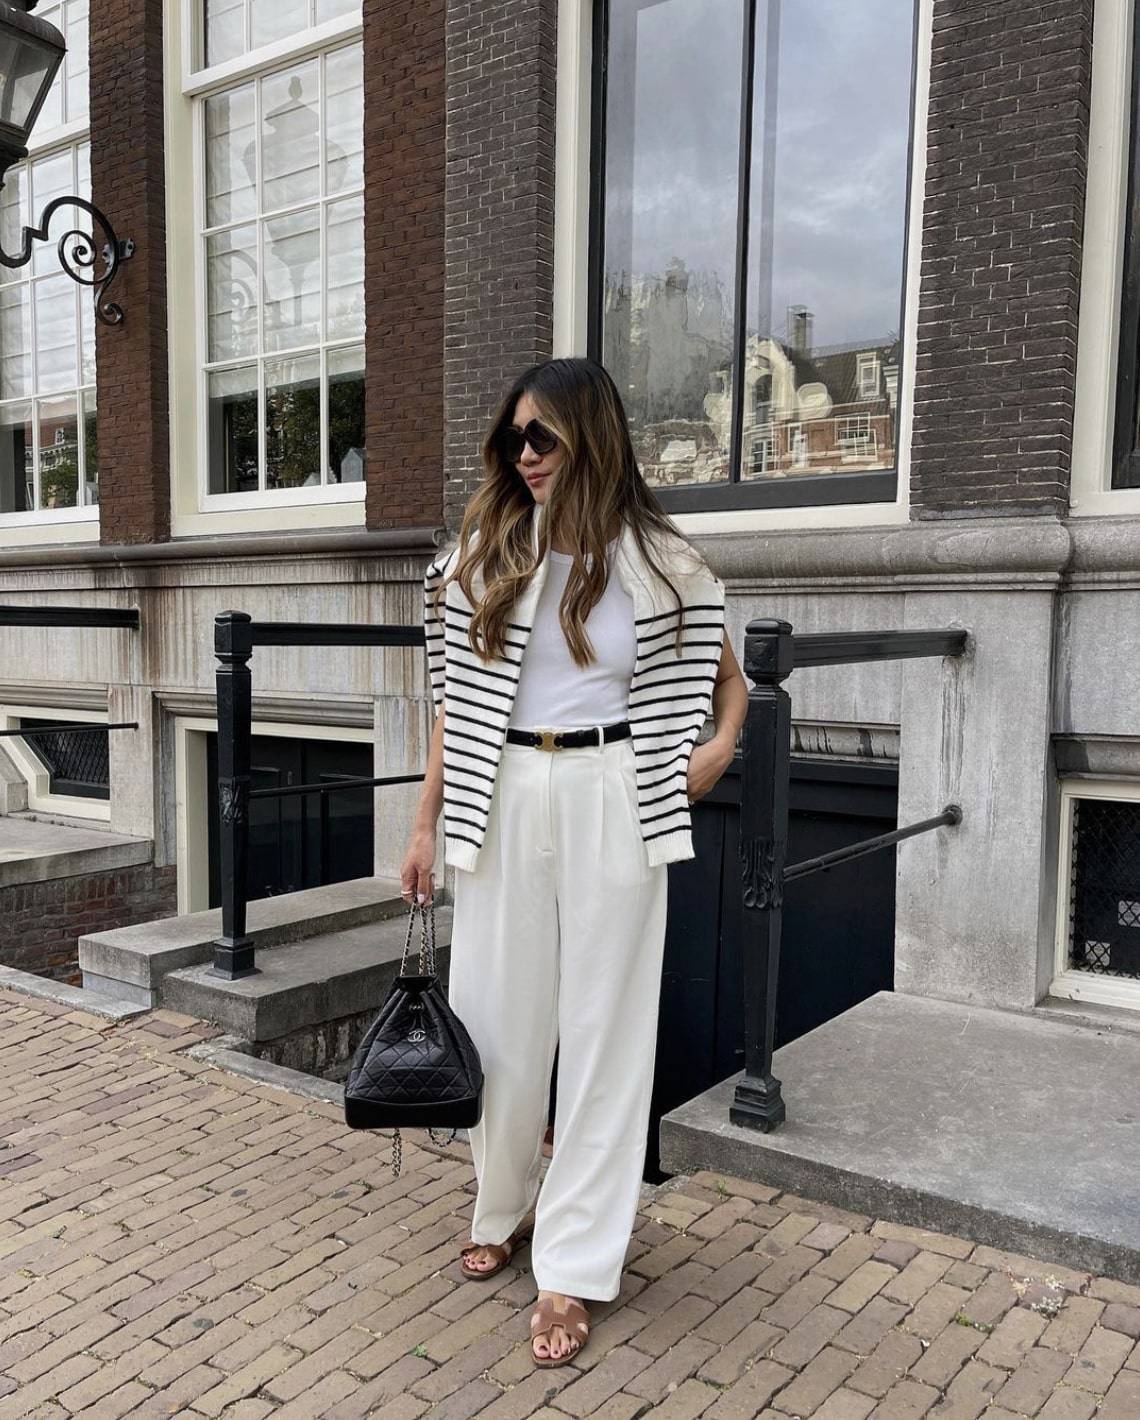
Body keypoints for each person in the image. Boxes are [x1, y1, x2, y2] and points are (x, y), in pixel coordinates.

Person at [400, 356, 748, 1368]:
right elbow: (453, 710)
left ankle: (575, 1264)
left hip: (615, 793)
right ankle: (501, 1204)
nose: (524, 456)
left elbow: (729, 682)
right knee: (498, 1016)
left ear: (591, 436)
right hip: (503, 792)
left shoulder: (661, 559)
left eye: (542, 437)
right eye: (514, 438)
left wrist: (718, 749)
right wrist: (425, 826)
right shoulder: (484, 550)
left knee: (605, 1028)